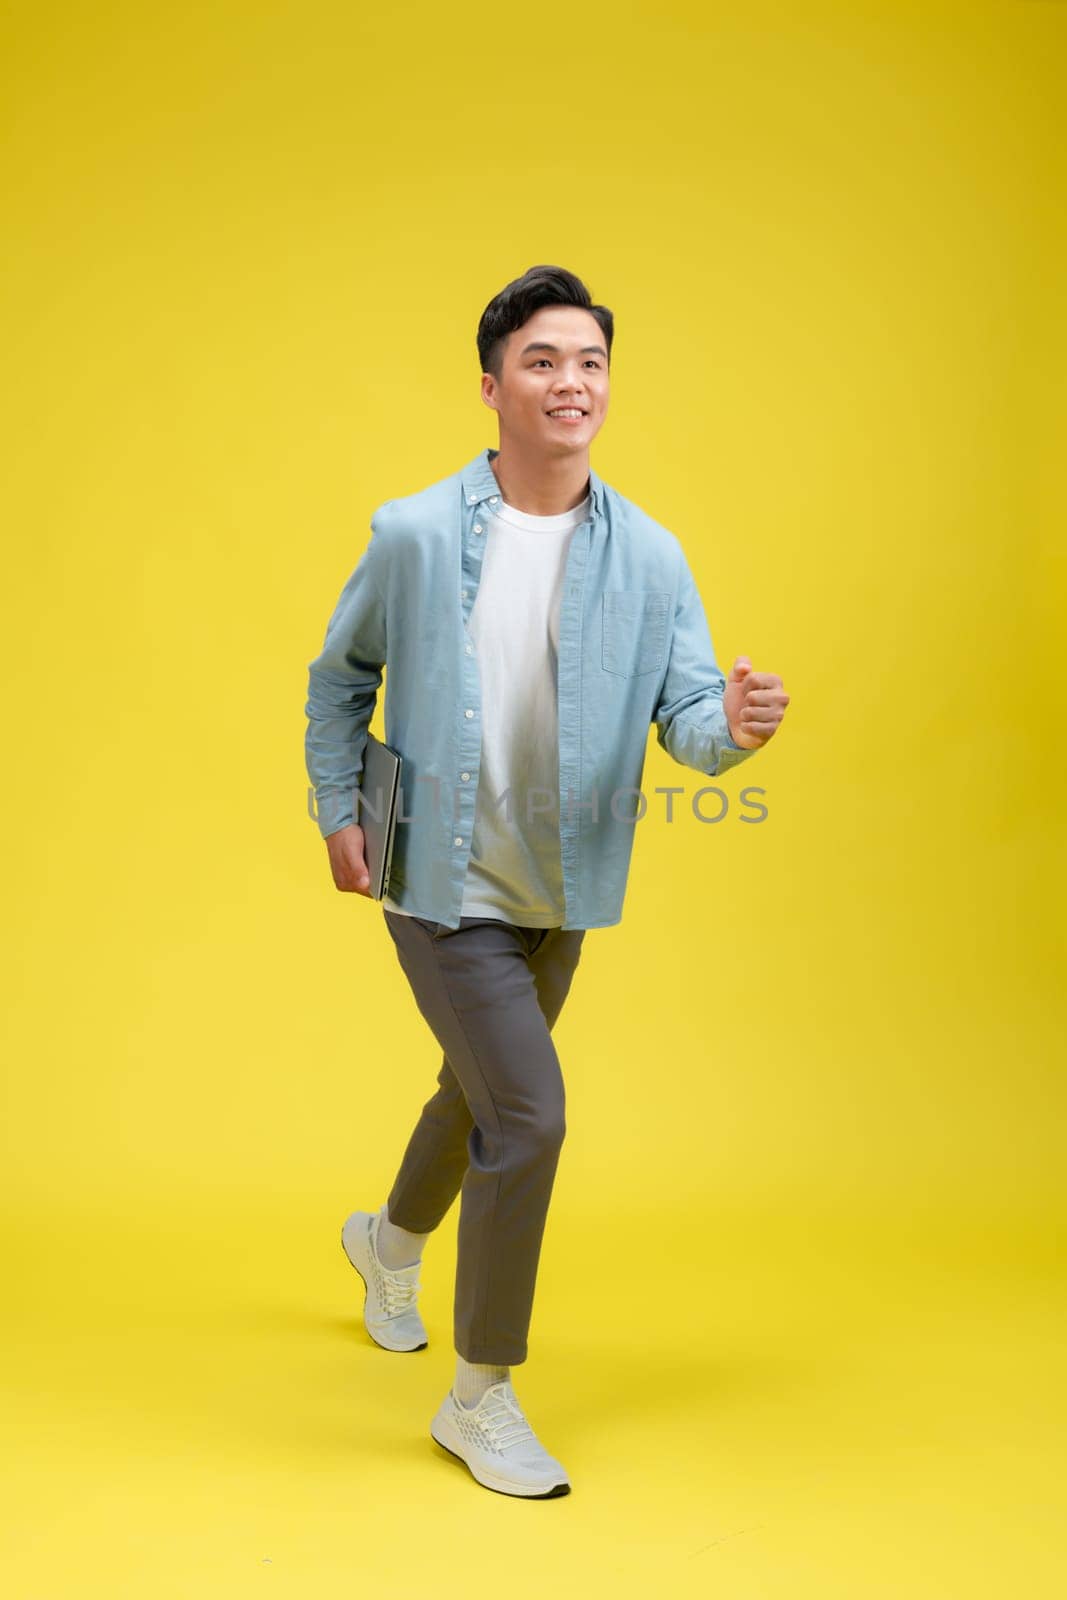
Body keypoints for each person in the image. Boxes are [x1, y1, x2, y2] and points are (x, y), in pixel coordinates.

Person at [304, 264, 790, 1498]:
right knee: (529, 1114)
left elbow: (684, 717)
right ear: (492, 385)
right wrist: (335, 812)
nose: (569, 382)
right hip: (429, 869)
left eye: (588, 362)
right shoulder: (414, 531)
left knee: (474, 1098)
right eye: (541, 361)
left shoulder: (652, 553)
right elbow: (335, 679)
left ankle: (387, 1243)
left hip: (560, 886)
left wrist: (732, 725)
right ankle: (481, 1396)